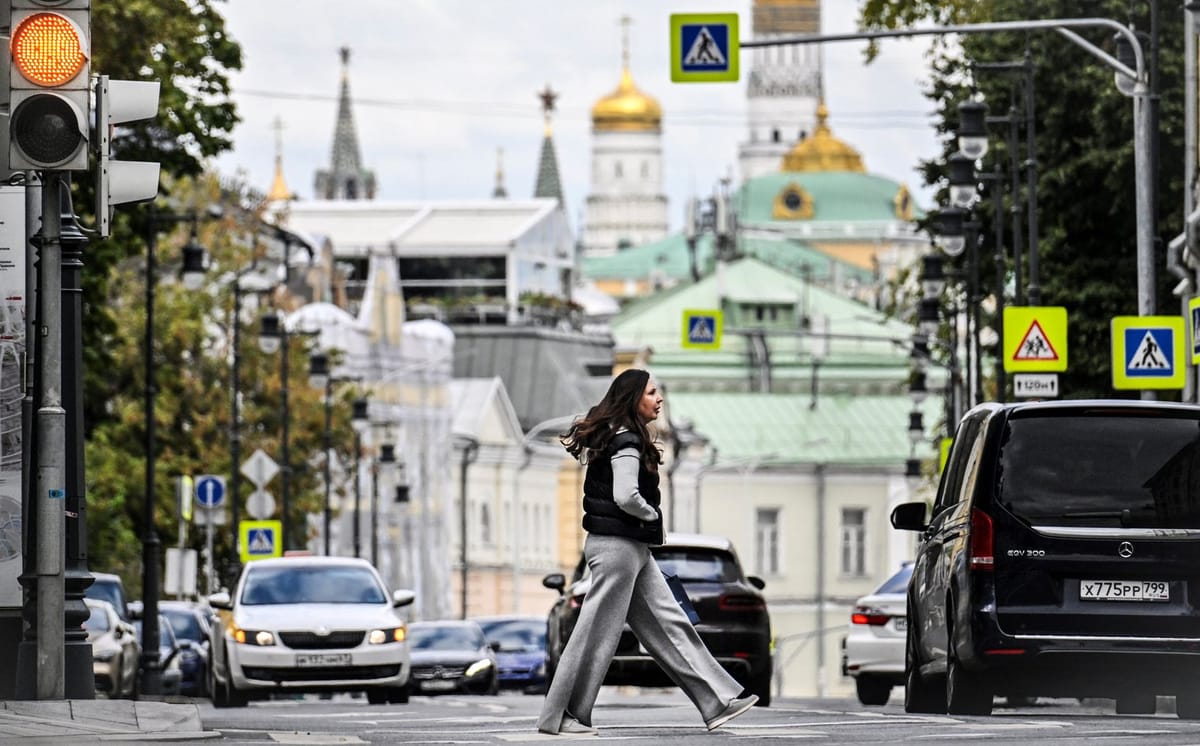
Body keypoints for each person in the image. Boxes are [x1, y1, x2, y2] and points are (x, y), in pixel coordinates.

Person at [536, 368, 757, 736]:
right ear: (633, 397)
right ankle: (563, 716)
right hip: (618, 548)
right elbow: (626, 496)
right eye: (652, 392)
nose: (659, 399)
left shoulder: (620, 436)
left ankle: (716, 701)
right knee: (596, 634)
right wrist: (651, 514)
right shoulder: (626, 440)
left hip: (630, 547)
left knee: (670, 623)